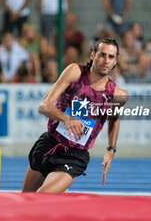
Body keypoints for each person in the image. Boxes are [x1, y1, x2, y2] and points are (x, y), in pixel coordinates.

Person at [22, 38, 128, 193]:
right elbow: (44, 105)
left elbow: (114, 120)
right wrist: (67, 119)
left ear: (115, 61)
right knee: (26, 200)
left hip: (73, 156)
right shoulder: (75, 72)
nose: (106, 60)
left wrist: (111, 150)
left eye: (111, 57)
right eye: (102, 55)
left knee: (42, 196)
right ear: (92, 55)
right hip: (49, 144)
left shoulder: (117, 95)